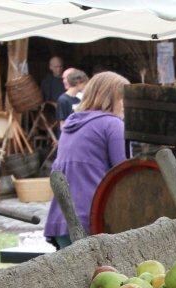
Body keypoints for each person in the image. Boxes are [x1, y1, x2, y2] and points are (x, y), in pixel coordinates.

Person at [43, 71, 129, 249]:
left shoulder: (71, 123)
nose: (126, 106)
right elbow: (125, 176)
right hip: (92, 222)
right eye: (124, 99)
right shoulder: (112, 124)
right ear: (111, 98)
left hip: (61, 222)